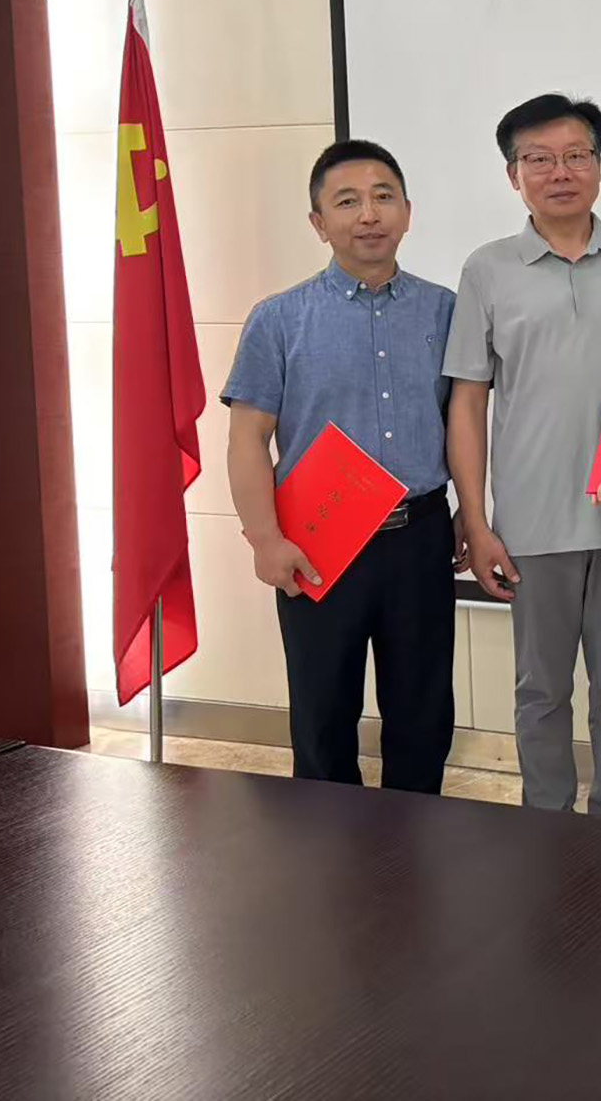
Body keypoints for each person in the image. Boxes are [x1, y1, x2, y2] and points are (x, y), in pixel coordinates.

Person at [445, 93, 601, 819]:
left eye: (577, 155)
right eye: (540, 159)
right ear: (513, 174)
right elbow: (468, 400)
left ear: (599, 165)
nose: (561, 172)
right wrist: (477, 518)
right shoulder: (488, 269)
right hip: (532, 521)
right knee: (541, 690)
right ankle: (546, 827)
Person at [223, 140, 461, 792]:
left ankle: (415, 837)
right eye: (348, 201)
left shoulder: (445, 311)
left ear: (408, 212)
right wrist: (265, 540)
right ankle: (326, 848)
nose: (369, 215)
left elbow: (464, 423)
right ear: (319, 222)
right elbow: (247, 439)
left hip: (419, 534)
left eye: (384, 197)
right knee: (323, 715)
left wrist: (470, 512)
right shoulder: (279, 319)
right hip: (318, 539)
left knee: (423, 712)